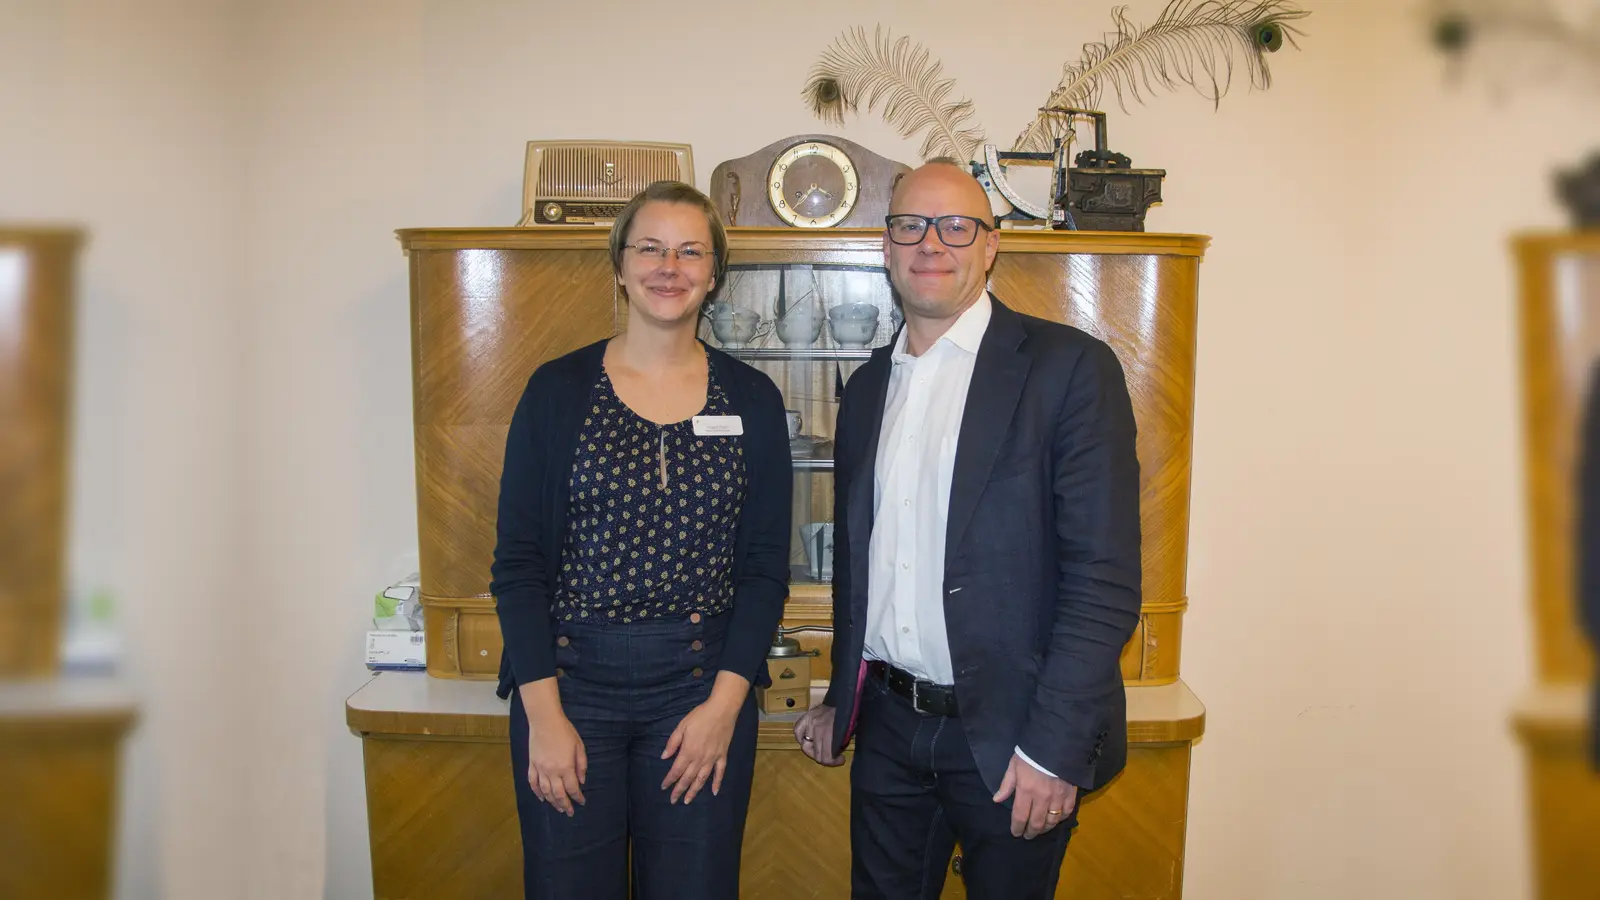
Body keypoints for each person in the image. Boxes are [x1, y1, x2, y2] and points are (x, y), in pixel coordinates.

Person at [792, 160, 1143, 899]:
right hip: (888, 729)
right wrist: (839, 697)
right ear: (886, 248)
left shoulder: (1069, 370)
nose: (931, 244)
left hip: (1018, 735)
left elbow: (1103, 582)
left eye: (957, 226)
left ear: (990, 248)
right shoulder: (864, 391)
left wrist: (1054, 751)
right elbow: (863, 565)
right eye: (909, 225)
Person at [490, 180, 792, 900]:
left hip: (699, 687)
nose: (670, 265)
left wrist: (724, 711)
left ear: (714, 273)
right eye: (650, 247)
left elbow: (762, 571)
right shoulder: (558, 390)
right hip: (569, 688)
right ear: (618, 266)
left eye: (691, 251)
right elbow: (519, 566)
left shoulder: (752, 399)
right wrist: (545, 716)